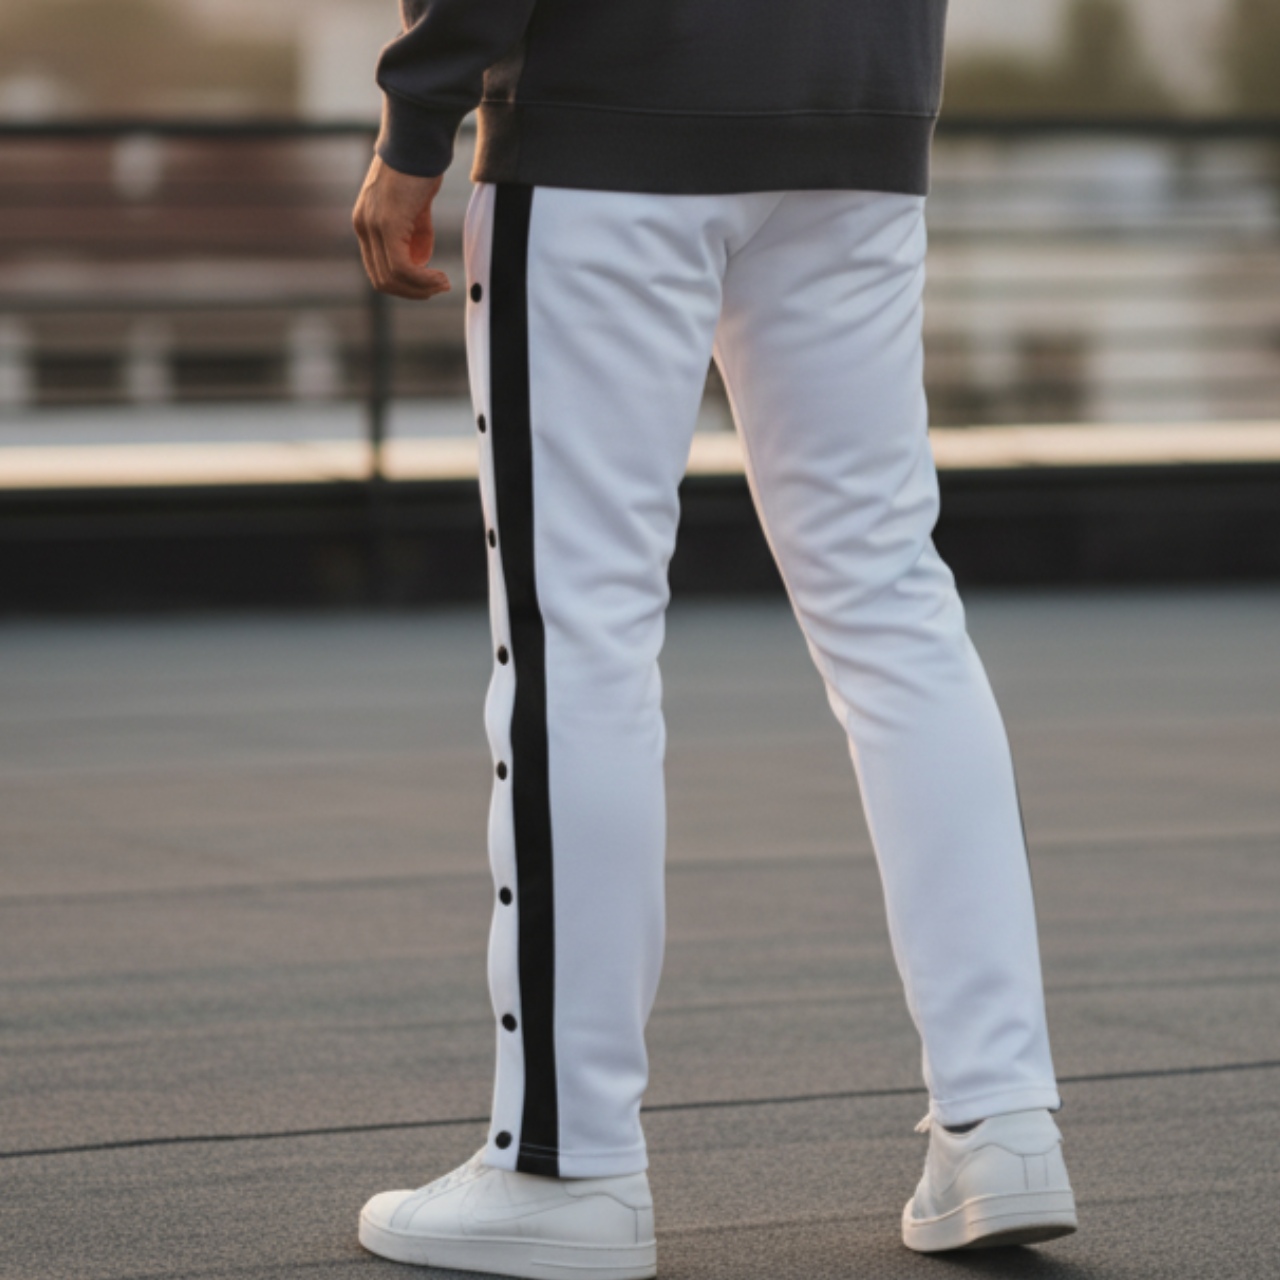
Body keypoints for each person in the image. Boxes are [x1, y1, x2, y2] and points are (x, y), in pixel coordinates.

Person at [351, 2, 1077, 1275]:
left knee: (579, 630)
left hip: (608, 118)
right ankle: (1001, 1122)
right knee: (893, 608)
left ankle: (564, 1166)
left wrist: (417, 115)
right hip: (856, 113)